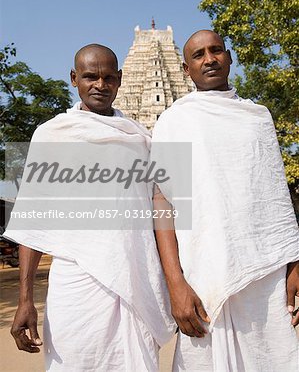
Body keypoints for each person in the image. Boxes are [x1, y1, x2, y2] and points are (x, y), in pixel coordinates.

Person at [4, 44, 175, 371]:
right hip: (77, 288)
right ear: (74, 79)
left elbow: (160, 214)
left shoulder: (141, 139)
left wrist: (176, 283)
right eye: (90, 76)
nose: (100, 84)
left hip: (135, 284)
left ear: (120, 80)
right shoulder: (52, 136)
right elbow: (33, 222)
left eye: (108, 77)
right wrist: (25, 299)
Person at [152, 30, 299, 371]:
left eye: (216, 50)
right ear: (186, 70)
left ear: (229, 57)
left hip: (266, 271)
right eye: (199, 54)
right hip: (204, 273)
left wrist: (294, 262)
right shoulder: (175, 120)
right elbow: (163, 205)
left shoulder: (258, 117)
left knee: (274, 358)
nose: (209, 59)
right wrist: (176, 284)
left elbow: (276, 197)